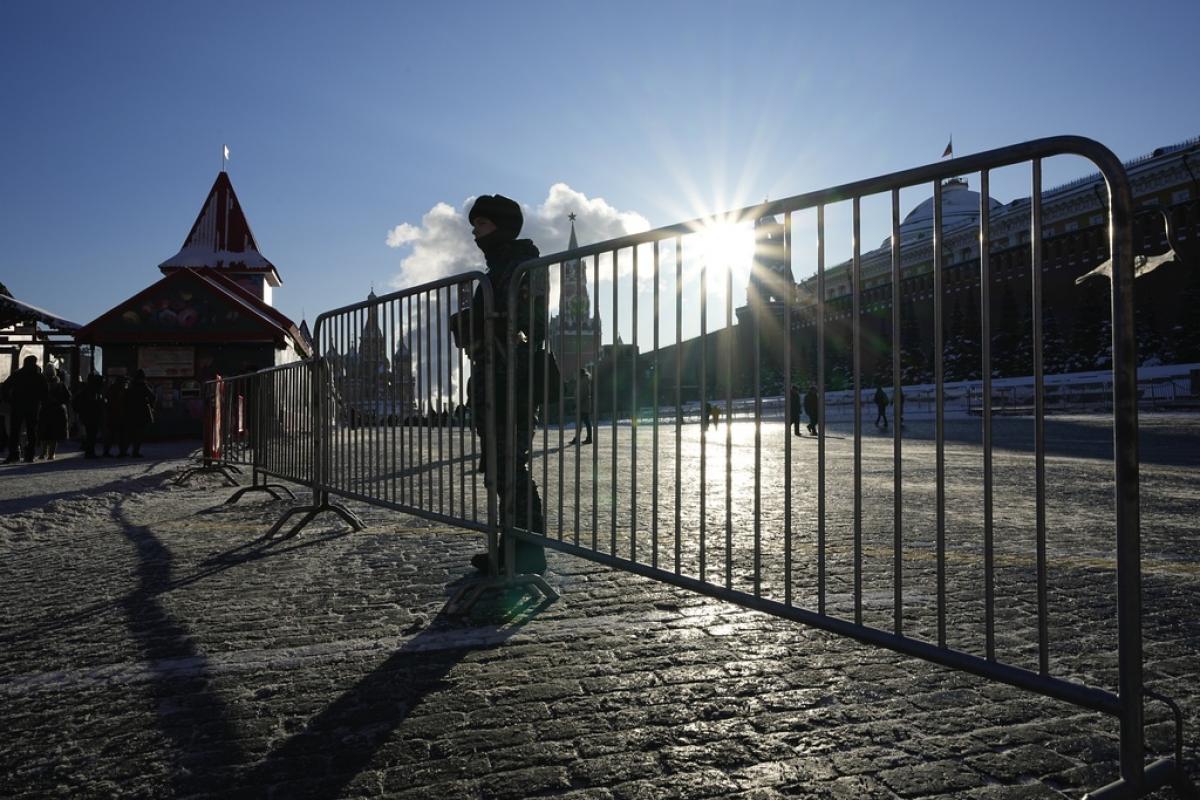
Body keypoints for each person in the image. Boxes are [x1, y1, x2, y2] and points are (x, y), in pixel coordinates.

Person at [458, 194, 548, 576]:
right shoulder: (495, 270)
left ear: (501, 226)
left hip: (513, 381)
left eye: (482, 224)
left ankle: (527, 554)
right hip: (492, 381)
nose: (475, 233)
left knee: (511, 467)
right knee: (498, 469)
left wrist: (486, 324)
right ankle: (506, 546)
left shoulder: (523, 265)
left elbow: (531, 323)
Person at [5, 355, 48, 463]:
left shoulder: (17, 374)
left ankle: (14, 454)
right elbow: (45, 392)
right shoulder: (39, 376)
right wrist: (40, 402)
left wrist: (9, 400)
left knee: (15, 431)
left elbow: (5, 386)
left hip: (17, 406)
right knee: (31, 431)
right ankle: (29, 454)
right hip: (33, 407)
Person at [38, 366, 71, 460]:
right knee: (54, 434)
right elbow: (67, 397)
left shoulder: (43, 384)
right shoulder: (60, 384)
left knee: (44, 433)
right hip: (57, 411)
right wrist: (58, 401)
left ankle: (43, 452)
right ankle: (51, 454)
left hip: (45, 410)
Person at [123, 369, 156, 457]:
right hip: (142, 413)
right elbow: (152, 397)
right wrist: (151, 406)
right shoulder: (144, 387)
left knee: (129, 433)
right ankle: (135, 451)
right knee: (139, 433)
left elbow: (125, 399)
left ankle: (123, 451)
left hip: (130, 413)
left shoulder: (129, 386)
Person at [74, 373, 107, 458]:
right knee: (91, 434)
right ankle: (90, 452)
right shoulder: (93, 392)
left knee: (90, 434)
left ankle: (90, 451)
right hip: (92, 416)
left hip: (88, 415)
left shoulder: (87, 390)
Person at [102, 375, 128, 457]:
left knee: (111, 434)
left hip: (112, 415)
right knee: (121, 435)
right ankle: (122, 451)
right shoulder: (122, 390)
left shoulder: (111, 389)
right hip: (119, 415)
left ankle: (107, 451)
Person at [568, 368, 592, 445]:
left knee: (584, 422)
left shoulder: (584, 382)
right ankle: (585, 438)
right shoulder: (583, 381)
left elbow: (582, 394)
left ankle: (586, 438)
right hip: (582, 405)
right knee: (584, 422)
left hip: (582, 405)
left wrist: (576, 404)